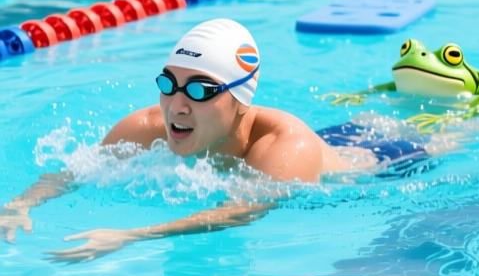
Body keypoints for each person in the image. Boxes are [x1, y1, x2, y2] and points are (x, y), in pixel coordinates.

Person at [0, 18, 397, 262]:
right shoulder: (147, 125)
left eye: (200, 90)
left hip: (388, 160)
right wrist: (21, 204)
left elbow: (238, 212)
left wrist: (132, 235)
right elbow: (77, 171)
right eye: (168, 84)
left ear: (241, 99)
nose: (177, 106)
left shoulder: (285, 146)